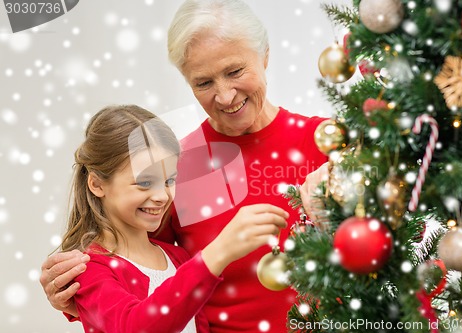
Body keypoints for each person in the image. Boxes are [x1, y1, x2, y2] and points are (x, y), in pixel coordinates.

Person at [40, 1, 329, 332]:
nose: (224, 96)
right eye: (203, 83)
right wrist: (73, 293)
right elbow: (143, 271)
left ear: (264, 55)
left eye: (235, 71)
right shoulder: (177, 167)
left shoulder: (328, 143)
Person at [57, 104, 289, 333]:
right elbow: (134, 327)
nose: (161, 196)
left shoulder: (177, 257)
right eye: (145, 182)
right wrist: (217, 253)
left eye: (169, 181)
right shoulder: (89, 269)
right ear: (97, 184)